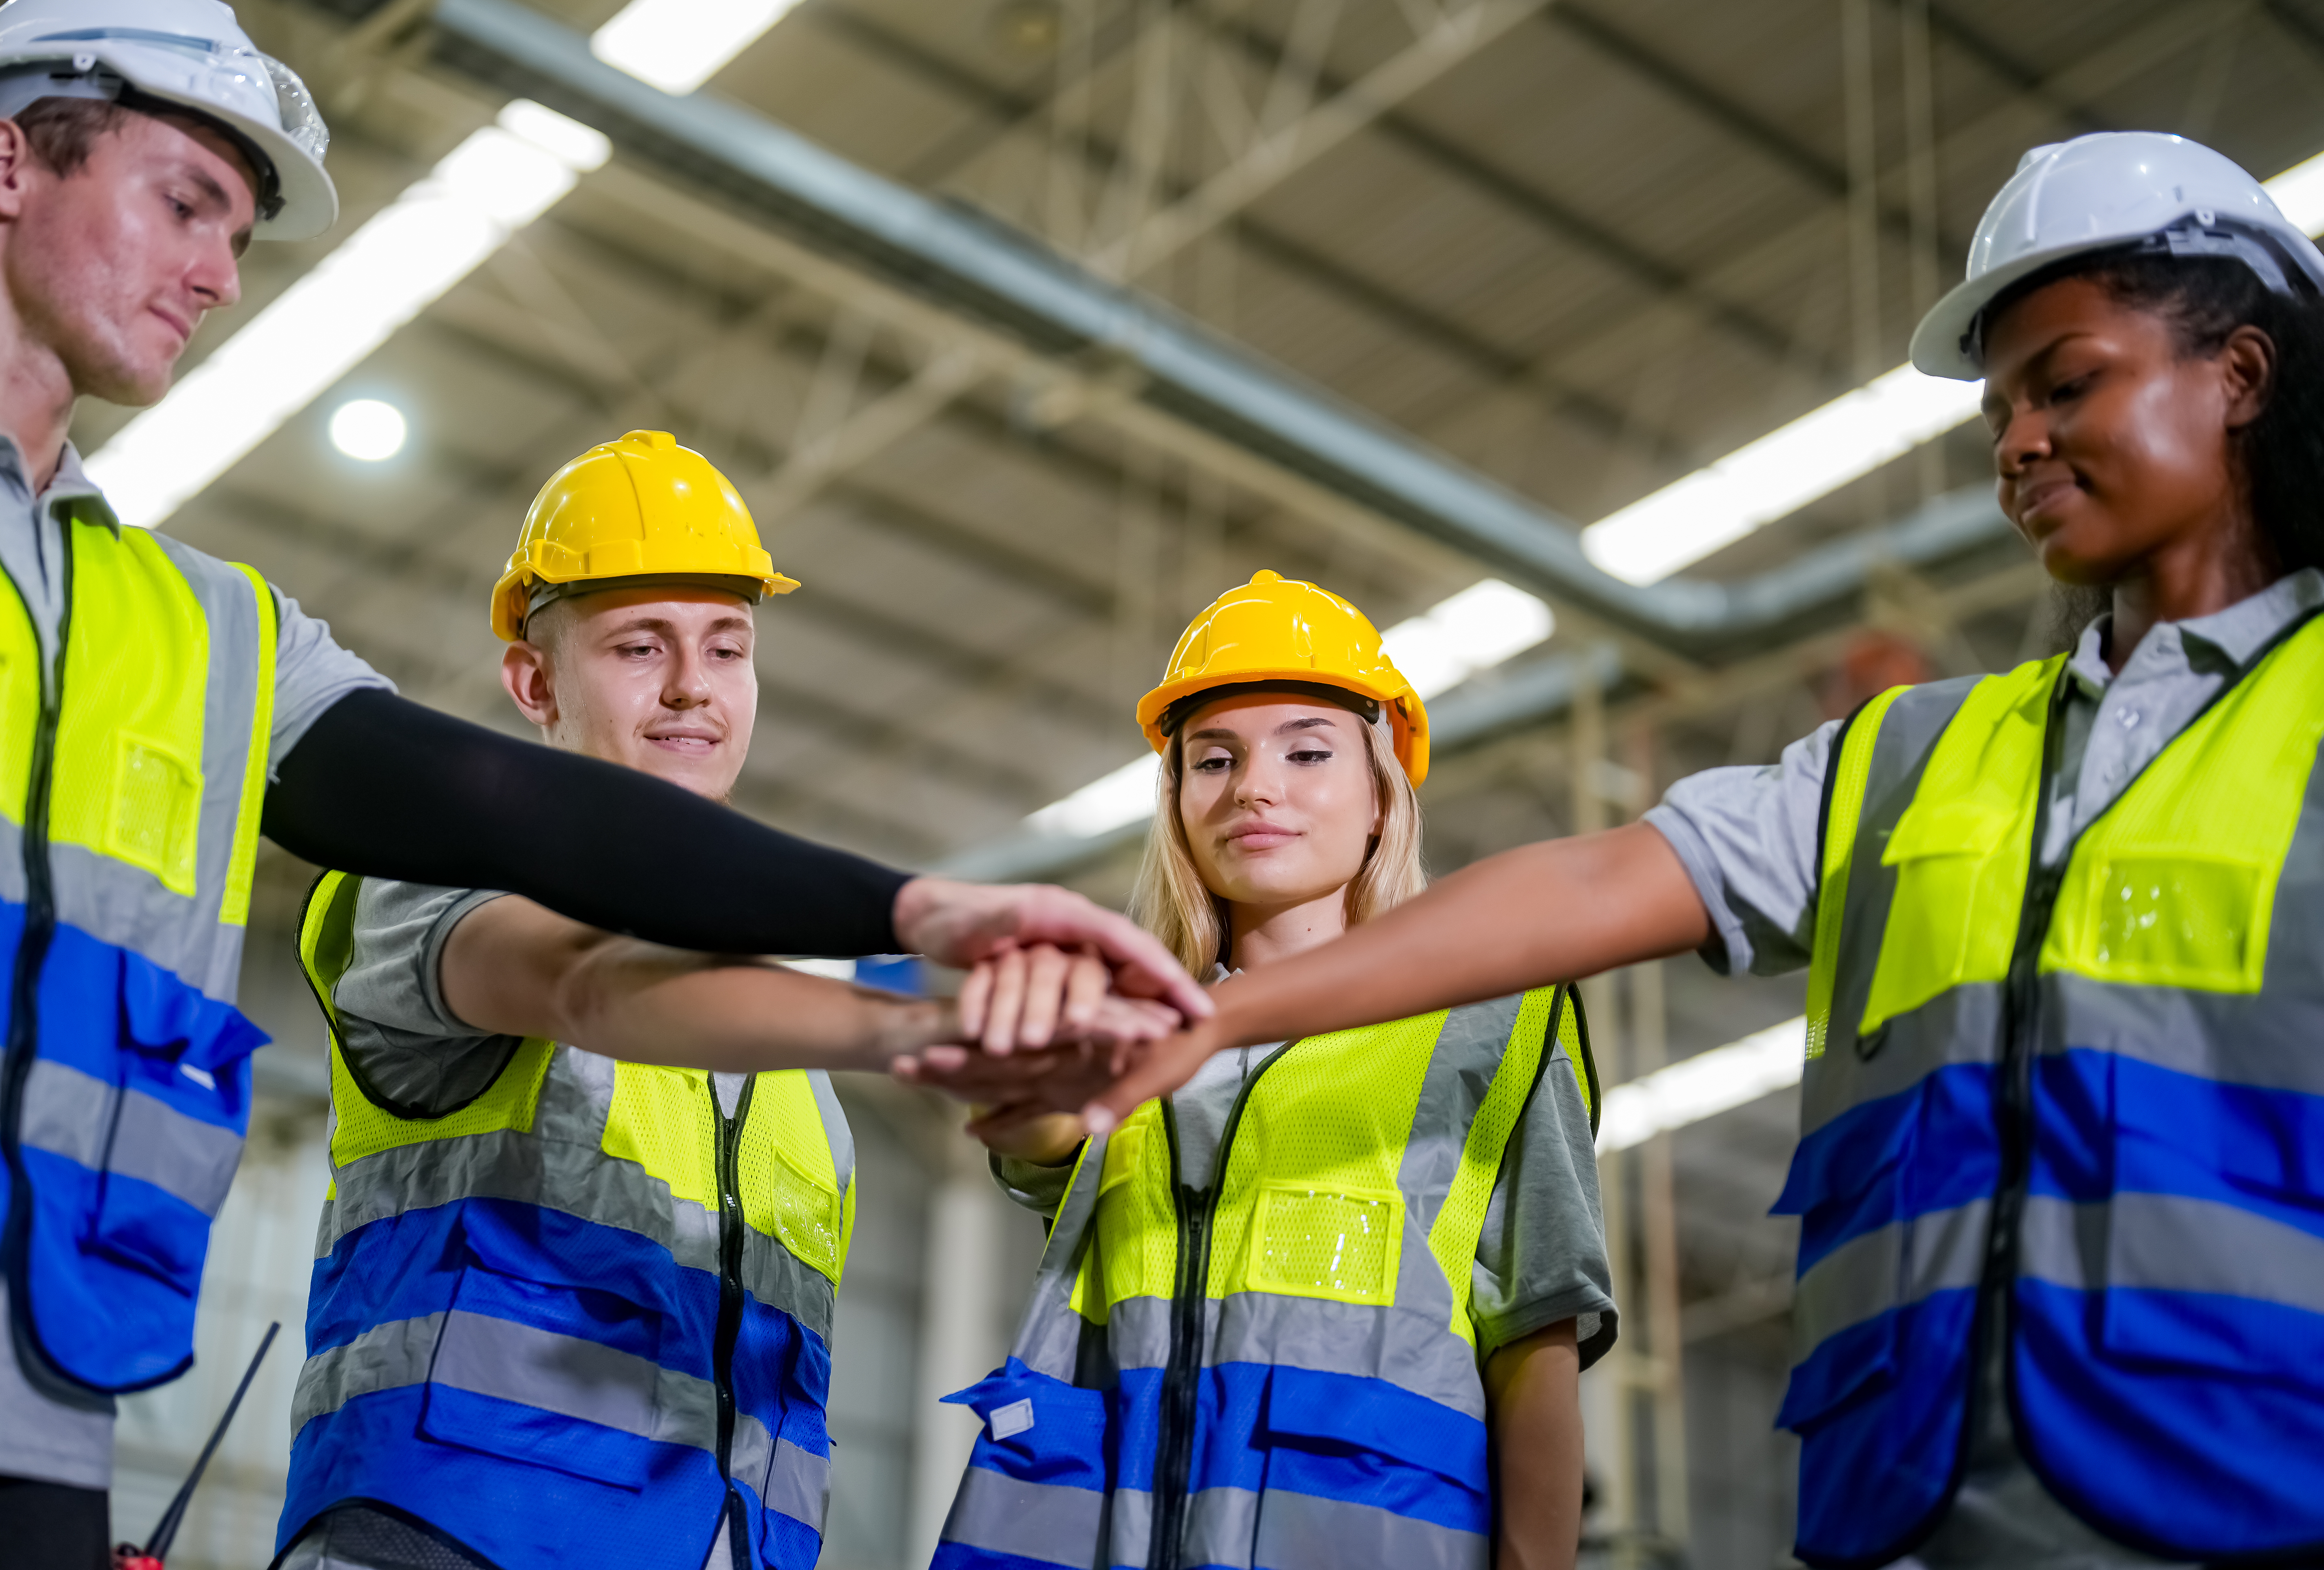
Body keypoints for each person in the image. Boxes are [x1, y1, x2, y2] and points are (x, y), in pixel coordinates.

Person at [0, 0, 1201, 1570]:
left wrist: (921, 911)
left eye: (238, 233)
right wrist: (926, 978)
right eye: (187, 202)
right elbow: (564, 946)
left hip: (36, 1406)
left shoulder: (213, 630)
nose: (216, 271)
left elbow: (505, 800)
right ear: (5, 163)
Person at [969, 132, 2324, 1569]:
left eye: (2068, 384)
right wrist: (1202, 1018)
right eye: (2000, 411)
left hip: (2256, 1485)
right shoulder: (1908, 758)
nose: (2017, 444)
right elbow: (1590, 884)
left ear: (2238, 375)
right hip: (1927, 1508)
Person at [275, 433, 1138, 1570]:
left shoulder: (797, 1091)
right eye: (642, 645)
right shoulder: (425, 881)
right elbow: (583, 982)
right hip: (446, 1543)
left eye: (727, 646)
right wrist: (926, 1024)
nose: (693, 684)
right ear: (535, 682)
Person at [918, 572, 1611, 1570]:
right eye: (1214, 758)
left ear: (1382, 795)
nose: (1254, 787)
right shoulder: (1130, 1032)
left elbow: (1537, 1343)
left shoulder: (1492, 1020)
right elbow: (1031, 1145)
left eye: (1308, 751)